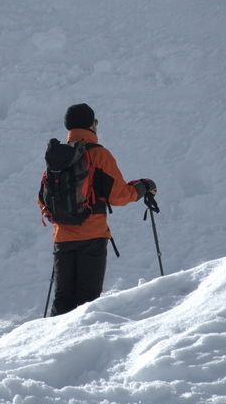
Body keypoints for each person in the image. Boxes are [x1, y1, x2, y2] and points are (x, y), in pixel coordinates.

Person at [39, 103, 156, 316]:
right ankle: (83, 345)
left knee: (63, 300)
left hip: (62, 238)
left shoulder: (57, 156)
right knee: (87, 304)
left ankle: (54, 346)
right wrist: (143, 187)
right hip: (92, 236)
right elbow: (119, 196)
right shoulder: (99, 155)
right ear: (92, 124)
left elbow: (42, 198)